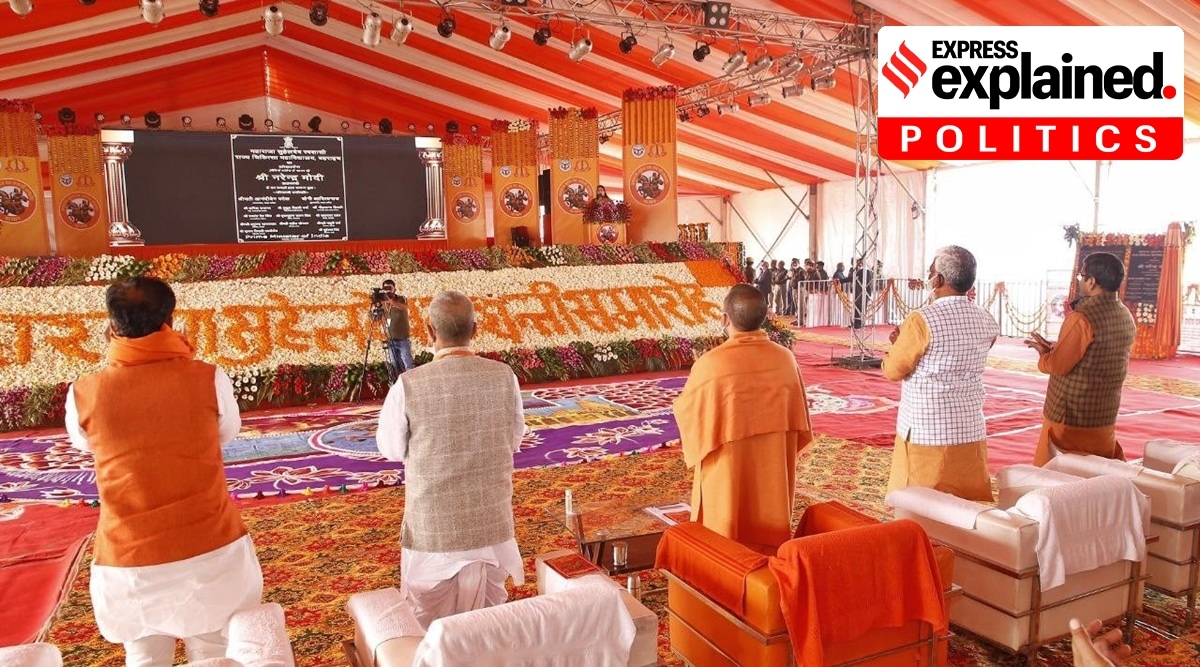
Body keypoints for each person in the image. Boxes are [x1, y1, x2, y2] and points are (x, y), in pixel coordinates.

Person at [64, 277, 262, 666]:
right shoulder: (209, 377)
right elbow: (225, 432)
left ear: (111, 327)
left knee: (144, 657)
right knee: (214, 652)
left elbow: (87, 443)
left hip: (130, 558)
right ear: (170, 321)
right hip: (210, 547)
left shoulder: (84, 393)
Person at [376, 291, 526, 629]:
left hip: (433, 532)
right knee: (490, 625)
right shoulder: (505, 377)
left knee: (428, 627)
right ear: (476, 330)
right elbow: (514, 439)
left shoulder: (408, 385)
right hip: (491, 525)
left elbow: (391, 449)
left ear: (429, 332)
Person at [673, 284, 813, 552]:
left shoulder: (711, 363)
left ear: (725, 319)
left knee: (725, 526)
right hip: (773, 463)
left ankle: (725, 565)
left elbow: (687, 412)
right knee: (768, 517)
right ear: (765, 316)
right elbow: (801, 422)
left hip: (729, 469)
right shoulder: (785, 359)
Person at [882, 246, 998, 501]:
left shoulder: (922, 320)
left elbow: (893, 370)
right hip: (969, 427)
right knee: (967, 505)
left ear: (940, 280)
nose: (929, 276)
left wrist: (898, 346)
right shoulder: (987, 319)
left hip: (927, 428)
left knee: (922, 506)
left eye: (931, 271)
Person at [1025, 252, 1135, 466]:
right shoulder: (1125, 315)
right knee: (1097, 475)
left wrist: (1044, 354)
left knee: (1060, 475)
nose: (1080, 281)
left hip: (1071, 416)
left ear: (1091, 281)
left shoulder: (1081, 317)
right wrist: (1059, 347)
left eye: (1081, 276)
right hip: (1103, 414)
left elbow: (1058, 366)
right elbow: (1098, 352)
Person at [379, 279, 414, 383]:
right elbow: (376, 318)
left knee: (408, 362)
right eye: (385, 288)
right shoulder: (381, 303)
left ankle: (412, 383)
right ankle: (400, 384)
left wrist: (391, 301)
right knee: (395, 363)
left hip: (403, 338)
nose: (388, 290)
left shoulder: (401, 299)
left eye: (390, 288)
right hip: (390, 339)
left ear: (395, 289)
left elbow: (405, 308)